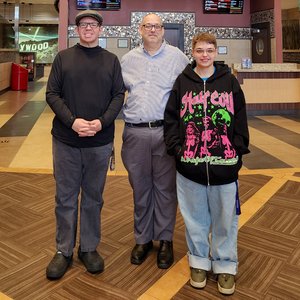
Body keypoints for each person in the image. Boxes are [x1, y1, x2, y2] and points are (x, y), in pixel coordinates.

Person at [164, 32, 250, 294]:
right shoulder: (182, 82)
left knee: (225, 219)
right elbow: (171, 119)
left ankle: (225, 265)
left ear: (215, 52)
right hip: (189, 167)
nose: (204, 55)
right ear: (193, 51)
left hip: (224, 167)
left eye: (209, 51)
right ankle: (199, 261)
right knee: (195, 219)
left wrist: (236, 151)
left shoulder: (229, 82)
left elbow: (241, 119)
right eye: (199, 50)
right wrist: (178, 150)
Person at [45, 9, 125, 280]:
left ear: (100, 30)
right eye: (83, 25)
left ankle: (88, 248)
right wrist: (72, 121)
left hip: (99, 142)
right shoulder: (63, 58)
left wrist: (101, 123)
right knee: (65, 198)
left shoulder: (111, 61)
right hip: (66, 141)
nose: (88, 28)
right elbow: (52, 94)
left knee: (93, 198)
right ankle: (63, 251)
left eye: (93, 24)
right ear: (77, 31)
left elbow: (118, 96)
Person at [120, 13, 189, 269]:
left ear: (163, 30)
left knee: (165, 189)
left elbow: (188, 94)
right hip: (135, 133)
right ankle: (143, 239)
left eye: (157, 26)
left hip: (165, 134)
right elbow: (116, 93)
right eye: (147, 25)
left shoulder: (178, 58)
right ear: (140, 29)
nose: (152, 30)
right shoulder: (127, 60)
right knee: (140, 188)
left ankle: (165, 240)